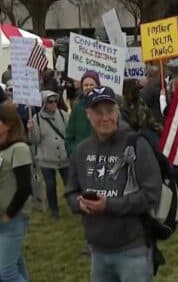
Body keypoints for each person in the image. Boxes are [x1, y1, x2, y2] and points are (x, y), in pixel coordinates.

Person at [64, 86, 162, 282]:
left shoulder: (136, 145)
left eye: (109, 111)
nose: (104, 118)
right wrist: (80, 203)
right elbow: (70, 193)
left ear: (117, 112)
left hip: (132, 249)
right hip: (97, 251)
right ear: (88, 115)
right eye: (98, 112)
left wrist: (108, 205)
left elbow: (151, 194)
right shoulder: (82, 151)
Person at [0, 102, 33, 282]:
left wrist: (9, 214)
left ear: (8, 124)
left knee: (6, 273)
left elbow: (24, 187)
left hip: (12, 218)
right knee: (16, 263)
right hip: (2, 217)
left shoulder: (19, 149)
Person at [28, 90, 70, 219]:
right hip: (46, 159)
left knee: (69, 184)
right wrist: (31, 130)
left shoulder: (63, 115)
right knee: (51, 186)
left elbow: (69, 134)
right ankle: (54, 211)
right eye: (50, 101)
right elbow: (35, 141)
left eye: (55, 101)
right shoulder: (36, 119)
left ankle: (74, 206)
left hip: (64, 158)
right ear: (44, 103)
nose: (53, 104)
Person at [65, 71, 100, 156]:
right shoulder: (77, 107)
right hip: (81, 159)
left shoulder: (104, 106)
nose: (88, 87)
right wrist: (74, 152)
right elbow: (69, 136)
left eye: (91, 85)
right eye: (86, 85)